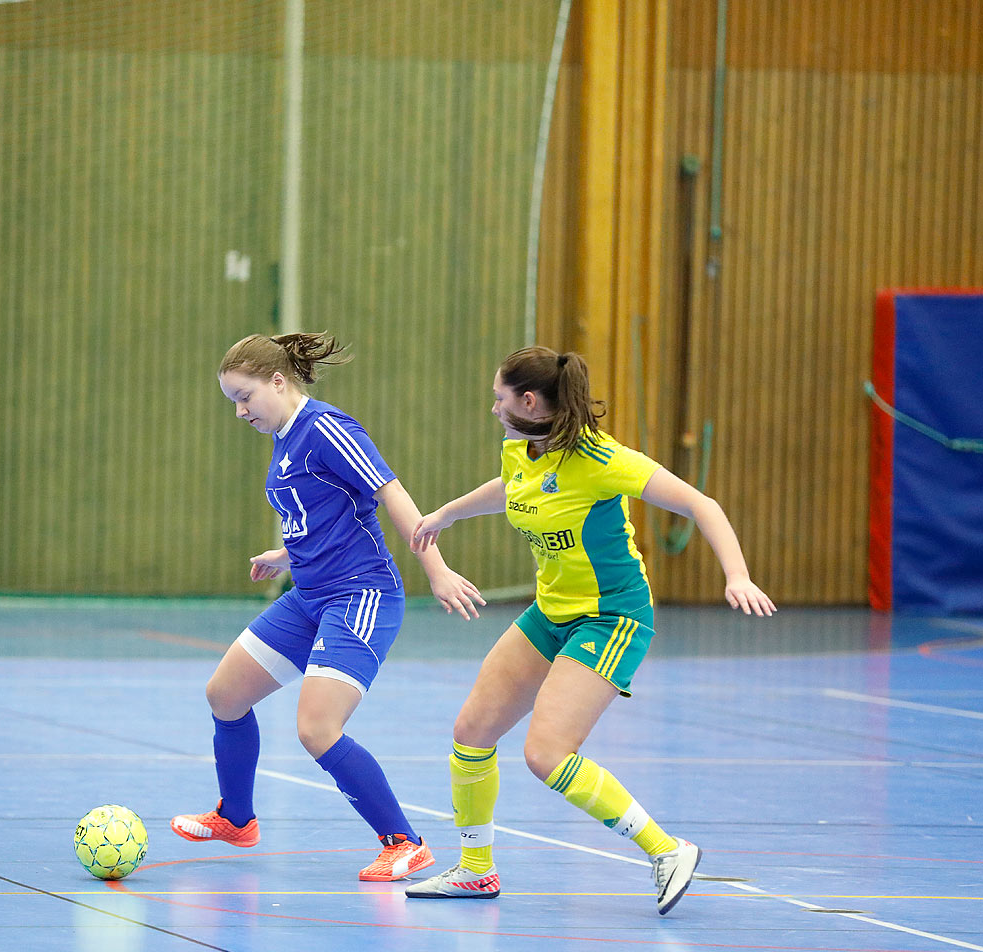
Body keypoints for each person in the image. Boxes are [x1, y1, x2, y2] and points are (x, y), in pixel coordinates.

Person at [403, 346, 774, 913]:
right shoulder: (520, 446)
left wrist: (737, 575)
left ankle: (667, 850)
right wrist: (448, 513)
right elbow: (511, 488)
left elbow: (703, 504)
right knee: (472, 730)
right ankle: (475, 870)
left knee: (547, 754)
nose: (492, 407)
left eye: (499, 397)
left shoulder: (602, 459)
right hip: (551, 613)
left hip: (611, 616)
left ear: (529, 401)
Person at [170, 333, 487, 881]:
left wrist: (435, 570)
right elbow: (330, 515)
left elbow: (390, 492)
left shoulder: (327, 429)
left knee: (317, 728)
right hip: (311, 594)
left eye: (245, 397)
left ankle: (405, 843)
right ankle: (236, 818)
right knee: (224, 695)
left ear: (278, 381)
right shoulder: (286, 436)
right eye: (232, 402)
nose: (240, 412)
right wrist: (286, 554)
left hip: (360, 594)